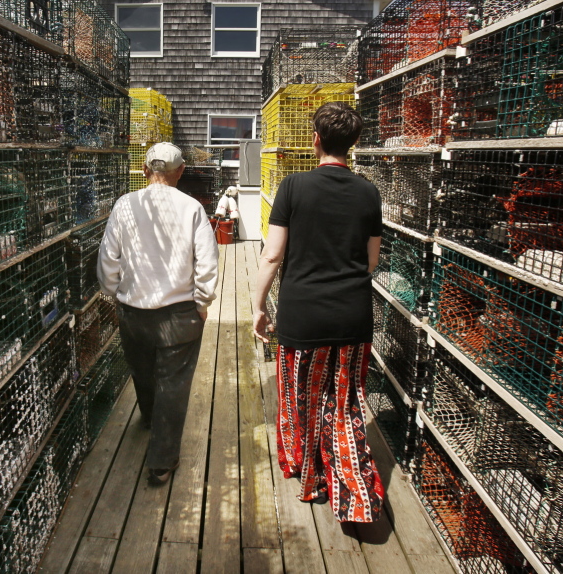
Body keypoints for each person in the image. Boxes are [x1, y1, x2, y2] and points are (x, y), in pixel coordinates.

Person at [251, 102, 385, 524]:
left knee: (301, 403)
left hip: (303, 317)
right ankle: (357, 498)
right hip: (352, 316)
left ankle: (311, 480)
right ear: (354, 143)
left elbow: (272, 257)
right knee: (344, 407)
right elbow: (371, 262)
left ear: (316, 140)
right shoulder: (368, 192)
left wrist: (257, 306)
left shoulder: (293, 187)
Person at [97, 142, 219, 486]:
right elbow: (207, 262)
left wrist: (112, 293)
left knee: (143, 370)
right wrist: (203, 302)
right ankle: (162, 461)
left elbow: (109, 258)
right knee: (174, 384)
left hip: (134, 311)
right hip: (181, 314)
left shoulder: (125, 205)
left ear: (146, 170)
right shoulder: (192, 207)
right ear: (180, 171)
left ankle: (150, 418)